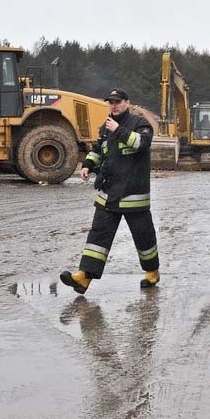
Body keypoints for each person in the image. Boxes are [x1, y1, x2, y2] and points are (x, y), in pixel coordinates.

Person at [60, 88, 160, 294]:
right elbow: (99, 149)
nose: (113, 105)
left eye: (117, 102)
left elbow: (142, 143)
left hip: (134, 194)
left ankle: (152, 273)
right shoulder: (106, 127)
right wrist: (88, 164)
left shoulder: (140, 124)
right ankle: (84, 277)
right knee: (98, 236)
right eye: (111, 102)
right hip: (109, 192)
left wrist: (118, 130)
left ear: (127, 102)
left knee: (144, 237)